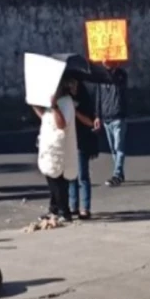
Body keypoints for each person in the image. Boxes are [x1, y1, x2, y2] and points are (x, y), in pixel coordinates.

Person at [33, 76, 78, 222]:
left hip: (59, 150)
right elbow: (46, 118)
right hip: (49, 147)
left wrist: (54, 107)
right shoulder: (55, 103)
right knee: (51, 178)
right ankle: (53, 209)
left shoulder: (65, 102)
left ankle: (64, 212)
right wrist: (35, 105)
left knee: (58, 182)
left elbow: (61, 124)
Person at [69, 81, 99, 220]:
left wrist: (76, 113)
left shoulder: (85, 100)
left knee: (82, 176)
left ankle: (85, 208)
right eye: (70, 84)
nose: (73, 86)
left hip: (82, 141)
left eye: (75, 84)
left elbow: (90, 122)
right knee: (71, 176)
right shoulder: (65, 100)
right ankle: (72, 205)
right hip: (68, 142)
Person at [95, 63, 128, 187]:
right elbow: (98, 96)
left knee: (119, 147)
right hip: (106, 117)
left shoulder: (121, 75)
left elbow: (115, 80)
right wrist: (97, 115)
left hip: (118, 116)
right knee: (113, 149)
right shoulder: (99, 77)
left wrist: (111, 68)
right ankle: (120, 173)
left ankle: (117, 174)